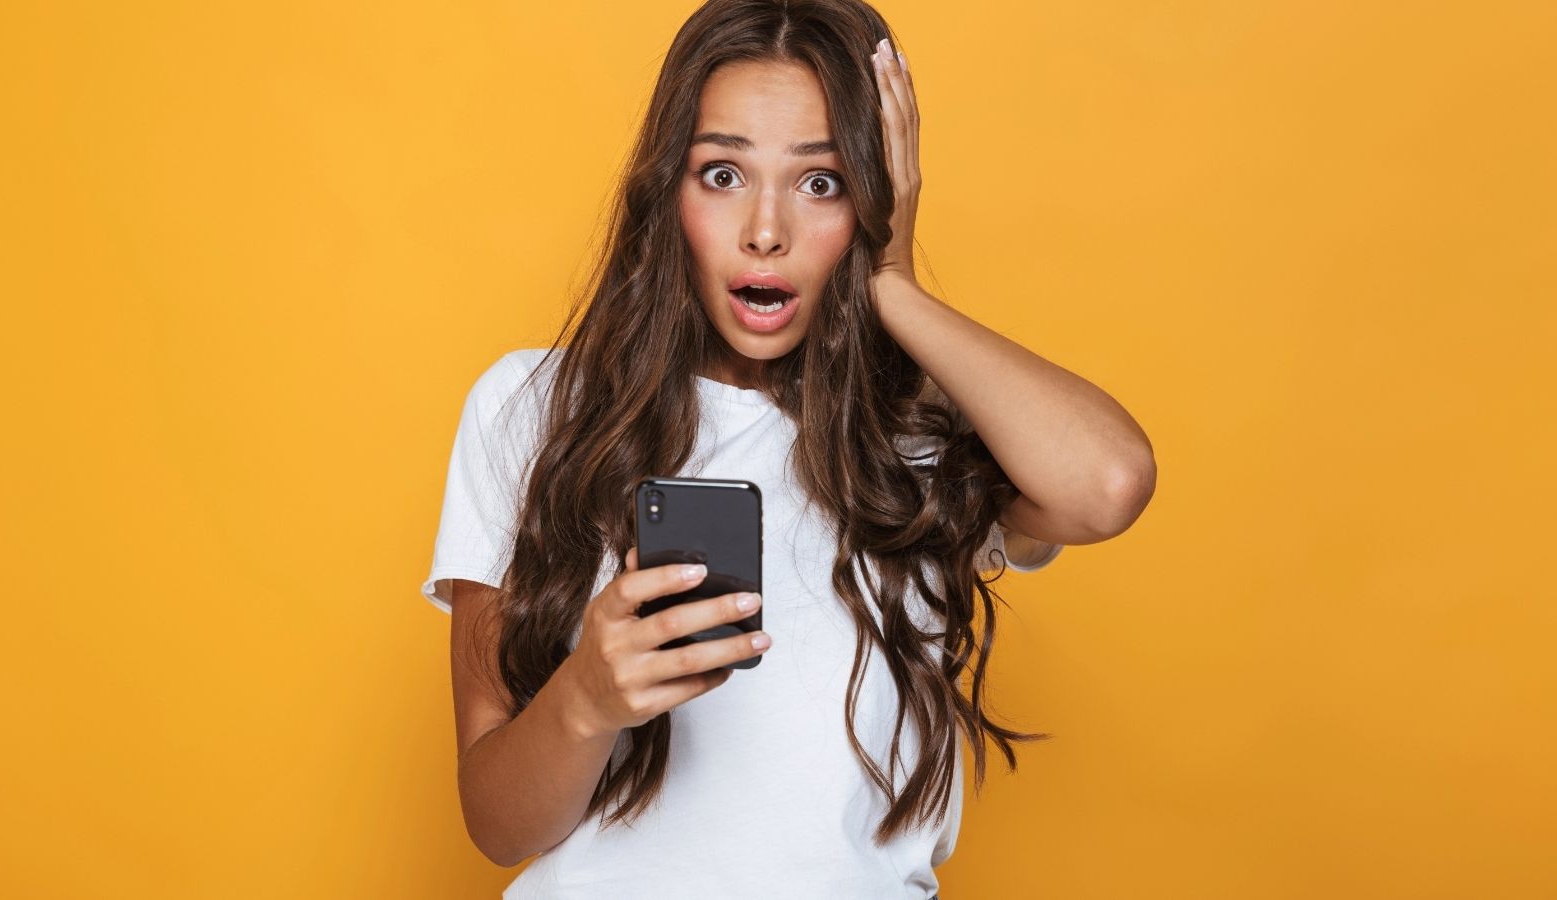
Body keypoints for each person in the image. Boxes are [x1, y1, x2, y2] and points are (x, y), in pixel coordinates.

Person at [421, 1, 1156, 897]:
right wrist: (586, 700)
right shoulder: (532, 409)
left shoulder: (922, 436)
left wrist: (892, 283)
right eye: (723, 173)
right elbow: (497, 826)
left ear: (873, 203)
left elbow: (1110, 482)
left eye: (822, 183)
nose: (765, 230)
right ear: (668, 193)